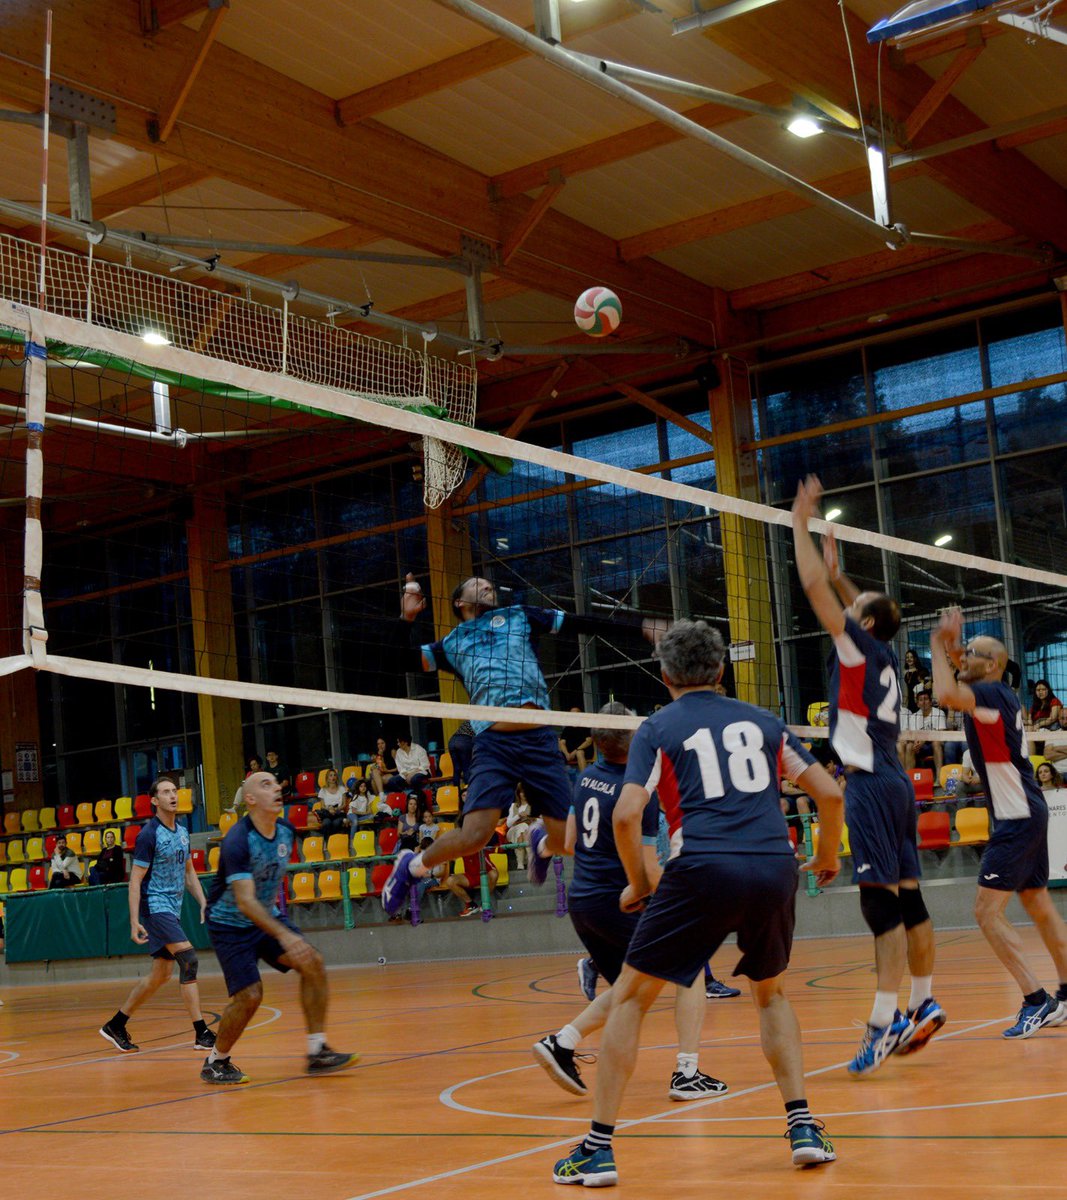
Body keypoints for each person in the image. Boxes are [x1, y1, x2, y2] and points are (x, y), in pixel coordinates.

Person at [551, 621, 845, 1186]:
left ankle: (597, 1149)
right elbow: (830, 794)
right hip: (773, 865)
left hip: (703, 866)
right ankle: (804, 1128)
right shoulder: (764, 721)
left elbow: (626, 815)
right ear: (722, 670)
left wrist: (639, 884)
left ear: (664, 676)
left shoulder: (658, 727)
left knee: (630, 998)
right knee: (771, 995)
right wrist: (827, 855)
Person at [380, 573, 663, 917]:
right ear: (459, 601)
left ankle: (540, 844)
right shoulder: (452, 644)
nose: (487, 585)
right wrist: (406, 618)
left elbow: (582, 623)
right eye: (477, 583)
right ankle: (411, 867)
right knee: (475, 836)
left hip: (539, 740)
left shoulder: (520, 616)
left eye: (489, 583)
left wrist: (641, 627)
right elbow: (398, 660)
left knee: (568, 841)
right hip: (494, 744)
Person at [792, 478, 944, 1075]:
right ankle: (923, 1000)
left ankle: (886, 1021)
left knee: (878, 904)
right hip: (895, 782)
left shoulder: (857, 647)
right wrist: (842, 577)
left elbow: (812, 589)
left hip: (870, 784)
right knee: (908, 897)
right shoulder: (881, 654)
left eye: (853, 607)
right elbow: (867, 608)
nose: (846, 607)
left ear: (864, 622)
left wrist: (799, 523)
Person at [535, 702, 732, 1104]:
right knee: (690, 966)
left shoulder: (585, 778)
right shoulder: (638, 790)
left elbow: (570, 843)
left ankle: (562, 1042)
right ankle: (687, 1073)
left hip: (583, 902)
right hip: (618, 901)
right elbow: (647, 869)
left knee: (634, 990)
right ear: (636, 737)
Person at [931, 611, 1067, 1038]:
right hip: (1025, 808)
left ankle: (1035, 999)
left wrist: (935, 643)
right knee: (1039, 905)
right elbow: (962, 670)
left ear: (992, 665)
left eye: (972, 653)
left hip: (1016, 815)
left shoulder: (989, 692)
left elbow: (944, 694)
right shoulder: (995, 690)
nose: (962, 657)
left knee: (986, 912)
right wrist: (955, 646)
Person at [202, 770, 357, 1083]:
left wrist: (279, 927)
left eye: (275, 782)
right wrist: (284, 934)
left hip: (265, 916)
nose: (276, 788)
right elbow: (245, 901)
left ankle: (317, 1051)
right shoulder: (237, 840)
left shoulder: (286, 831)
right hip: (230, 923)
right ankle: (215, 1061)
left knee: (312, 962)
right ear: (250, 799)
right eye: (266, 784)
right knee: (250, 996)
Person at [98, 777, 215, 1054]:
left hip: (172, 908)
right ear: (154, 800)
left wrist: (202, 901)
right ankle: (201, 1032)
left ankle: (116, 1024)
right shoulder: (149, 835)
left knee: (160, 975)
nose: (173, 795)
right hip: (155, 906)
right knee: (189, 959)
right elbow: (135, 881)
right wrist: (134, 920)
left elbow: (189, 872)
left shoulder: (183, 832)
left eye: (174, 791)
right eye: (165, 792)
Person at [899, 687, 946, 777]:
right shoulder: (914, 716)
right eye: (920, 700)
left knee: (936, 743)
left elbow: (941, 733)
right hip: (920, 745)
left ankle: (939, 776)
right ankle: (909, 777)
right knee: (909, 746)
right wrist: (916, 743)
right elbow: (913, 735)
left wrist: (923, 740)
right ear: (917, 704)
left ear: (930, 702)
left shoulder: (939, 713)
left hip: (934, 743)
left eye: (926, 699)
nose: (923, 702)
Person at [506, 784, 533, 870]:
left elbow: (540, 821)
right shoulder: (513, 806)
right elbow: (508, 824)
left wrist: (529, 818)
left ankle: (520, 863)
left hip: (527, 831)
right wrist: (518, 816)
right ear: (518, 793)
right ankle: (530, 859)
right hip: (512, 831)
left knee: (522, 829)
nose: (524, 794)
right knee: (522, 827)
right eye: (521, 792)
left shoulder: (533, 805)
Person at [560, 708, 594, 774]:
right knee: (556, 755)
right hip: (569, 753)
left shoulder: (585, 727)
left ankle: (584, 777)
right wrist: (567, 754)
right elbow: (562, 743)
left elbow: (589, 741)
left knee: (579, 753)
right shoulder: (567, 729)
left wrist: (575, 751)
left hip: (584, 751)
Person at [316, 769, 348, 839]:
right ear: (327, 778)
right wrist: (329, 809)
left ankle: (332, 840)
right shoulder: (323, 790)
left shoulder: (342, 789)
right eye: (330, 775)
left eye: (334, 775)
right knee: (326, 823)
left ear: (336, 777)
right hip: (327, 813)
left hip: (339, 813)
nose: (333, 777)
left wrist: (336, 809)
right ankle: (327, 841)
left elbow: (344, 804)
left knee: (336, 823)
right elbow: (323, 806)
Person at [447, 719, 475, 788]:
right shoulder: (482, 721)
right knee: (466, 768)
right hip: (464, 740)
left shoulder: (469, 720)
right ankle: (468, 791)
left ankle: (456, 792)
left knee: (457, 769)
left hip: (452, 740)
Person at [902, 649, 930, 713]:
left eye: (911, 657)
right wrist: (905, 703)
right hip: (911, 702)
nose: (909, 659)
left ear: (915, 658)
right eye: (907, 657)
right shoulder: (906, 673)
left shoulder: (922, 670)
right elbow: (908, 689)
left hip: (921, 701)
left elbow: (929, 685)